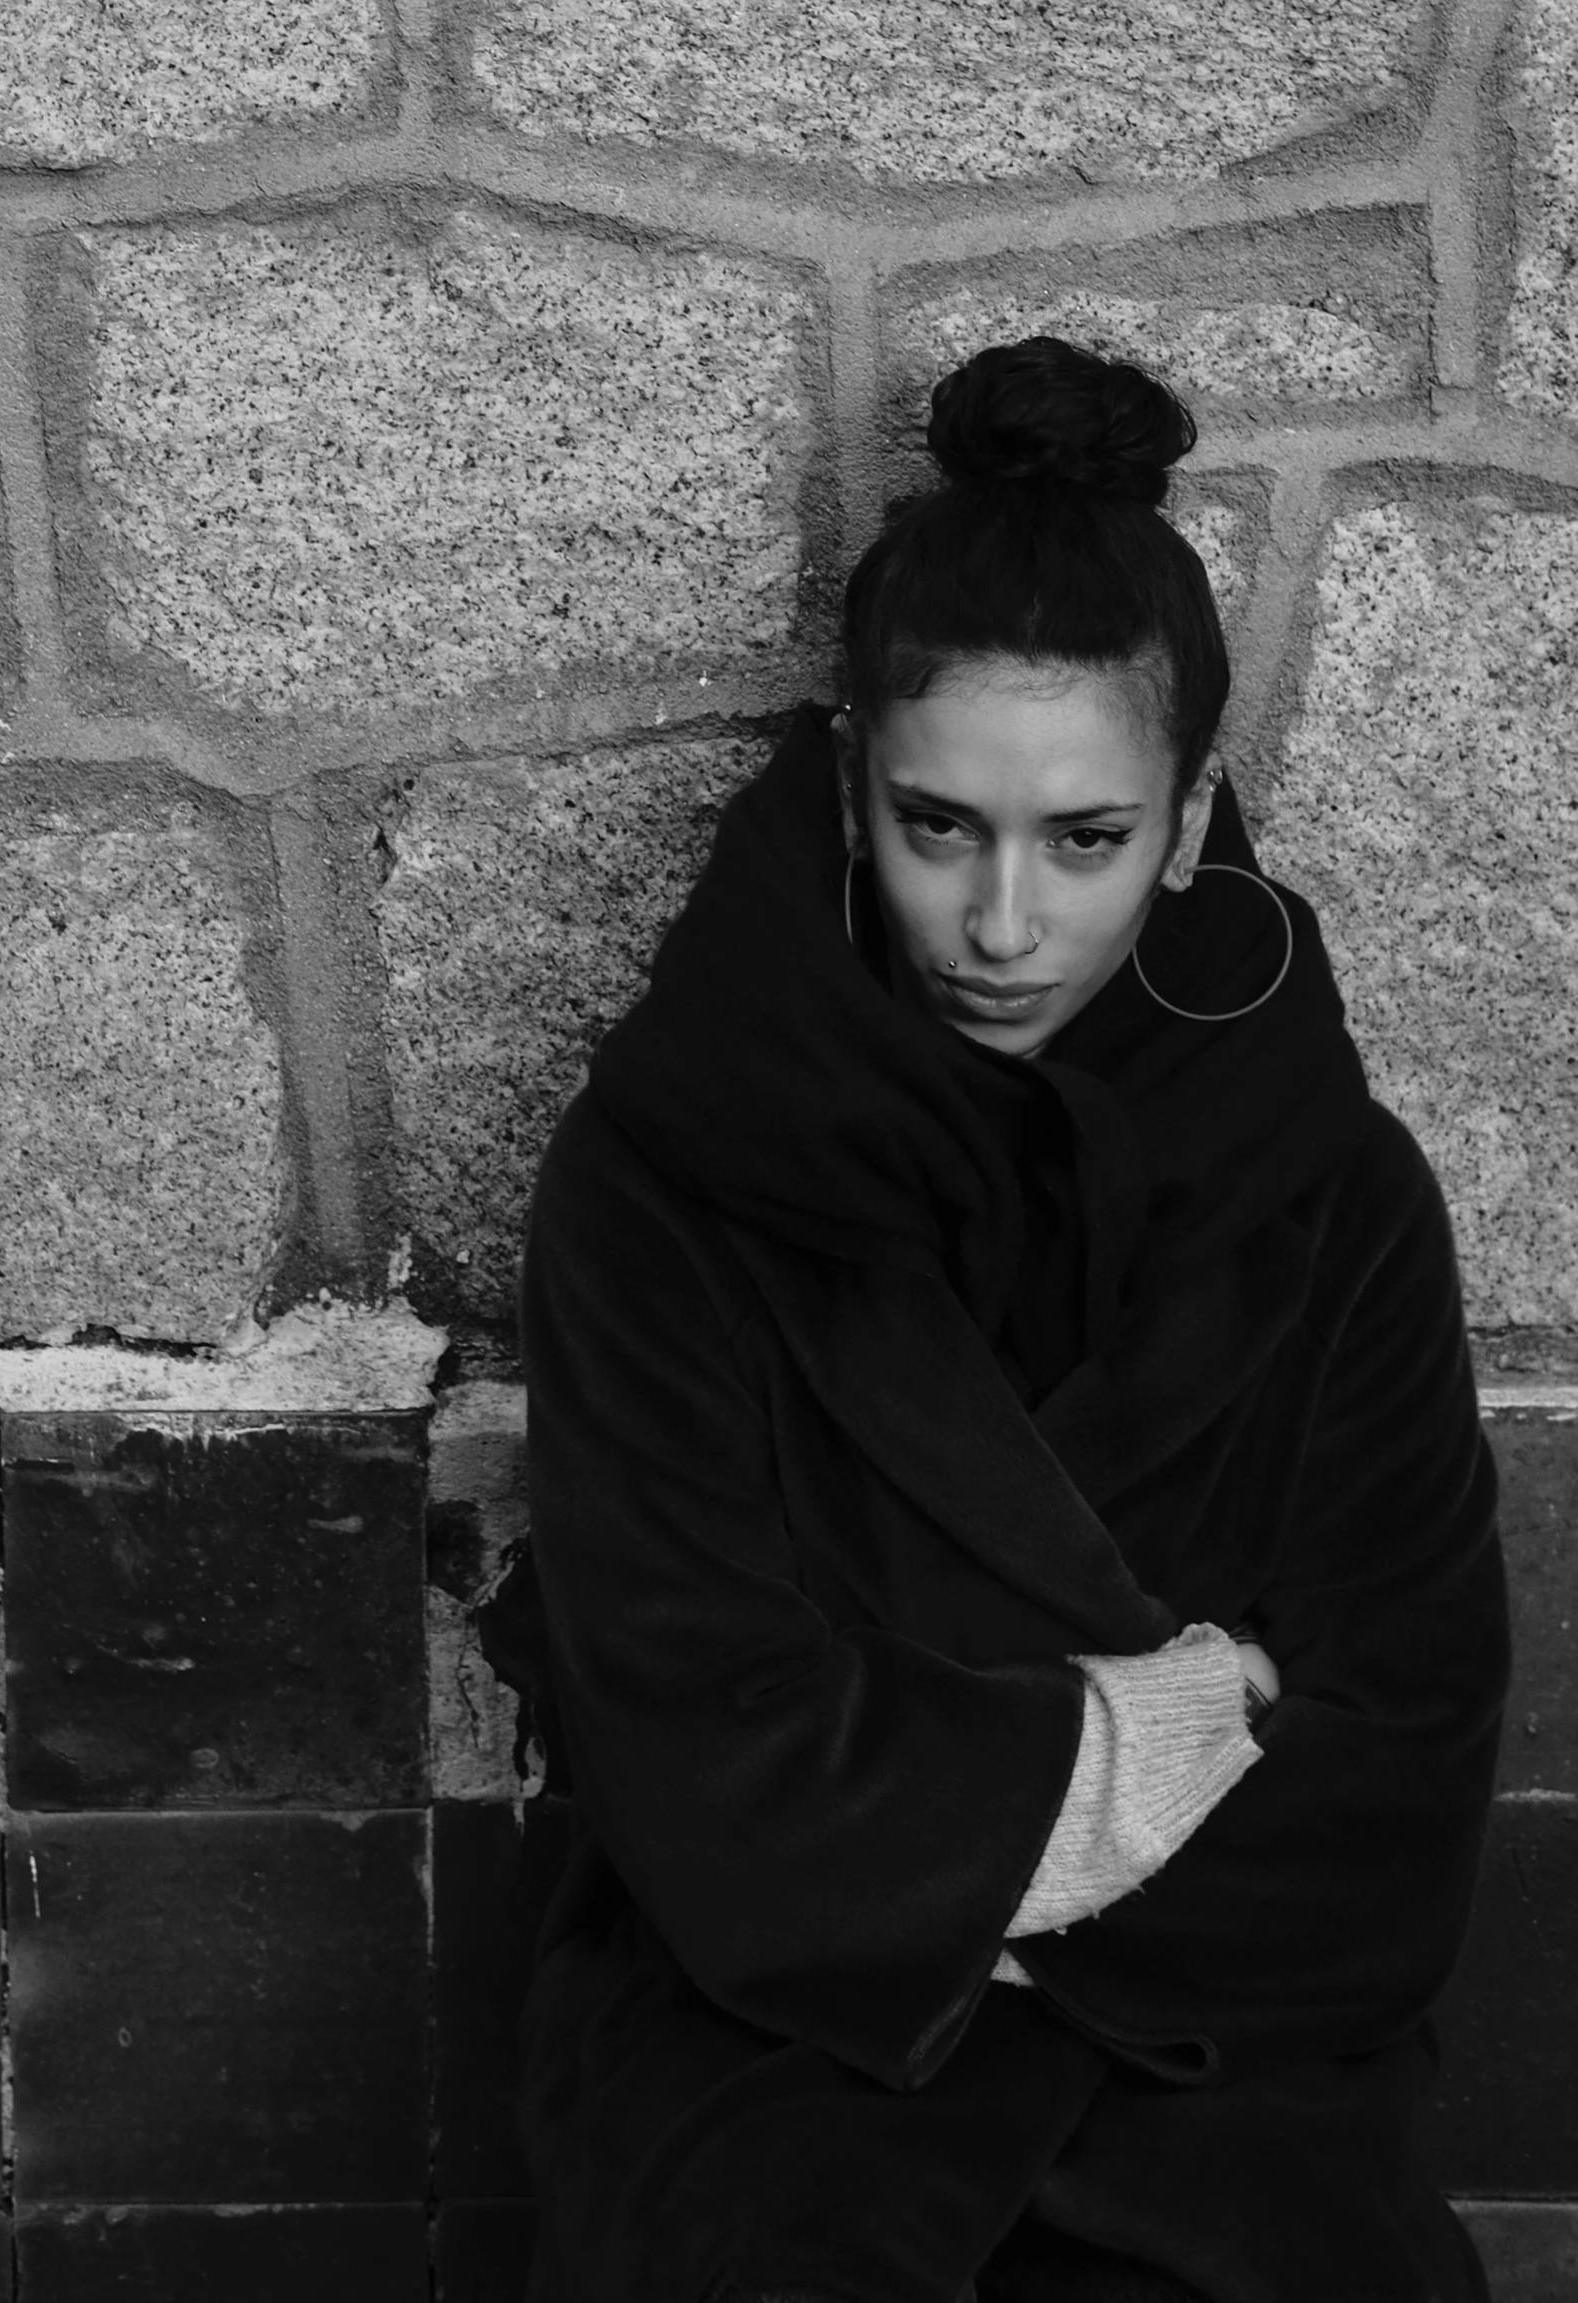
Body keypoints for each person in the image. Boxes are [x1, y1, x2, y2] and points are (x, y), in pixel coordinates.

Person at [508, 339, 1508, 2303]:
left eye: (1084, 838)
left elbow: (1392, 1794)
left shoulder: (1336, 1195)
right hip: (777, 2059)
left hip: (1221, 2067)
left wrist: (937, 1837)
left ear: (1188, 820)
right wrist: (1166, 1726)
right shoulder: (662, 1173)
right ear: (845, 784)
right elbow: (711, 1776)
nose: (999, 923)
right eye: (937, 822)